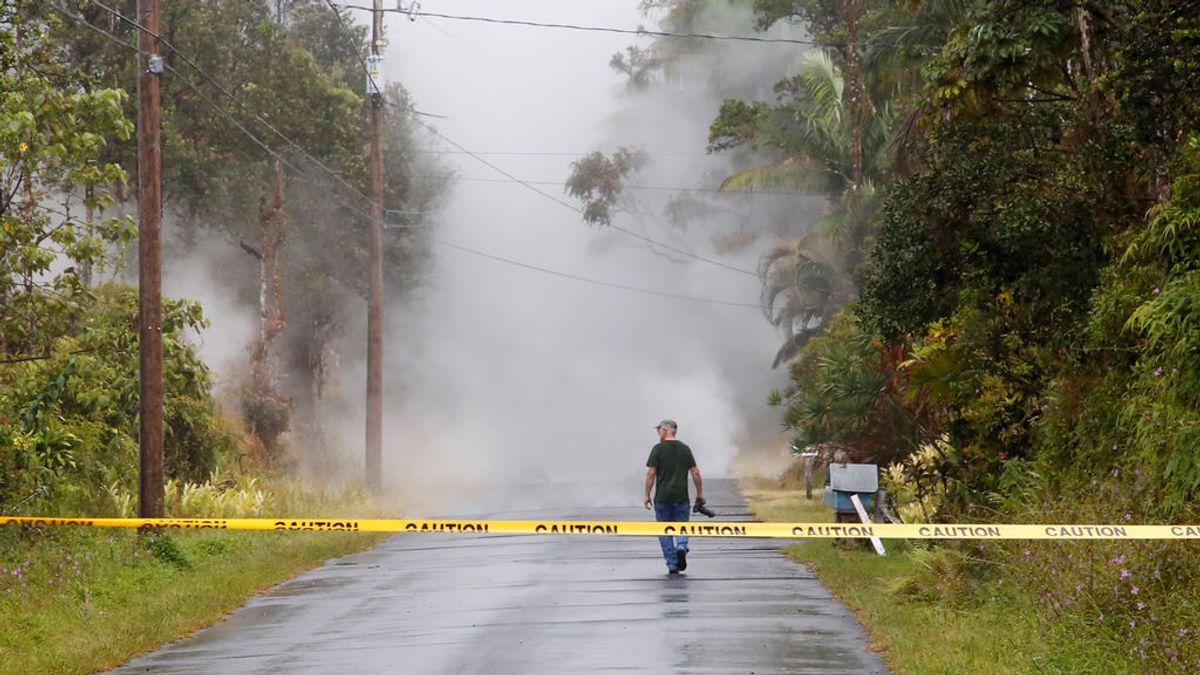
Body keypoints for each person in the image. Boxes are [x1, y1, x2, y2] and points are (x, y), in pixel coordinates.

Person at [643, 419, 704, 575]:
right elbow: (695, 472)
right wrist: (700, 493)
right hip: (681, 497)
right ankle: (682, 547)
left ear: (664, 430)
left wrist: (647, 495)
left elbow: (651, 474)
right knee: (682, 525)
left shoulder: (657, 449)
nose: (658, 433)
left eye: (659, 430)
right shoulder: (685, 449)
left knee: (664, 530)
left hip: (662, 498)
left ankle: (672, 564)